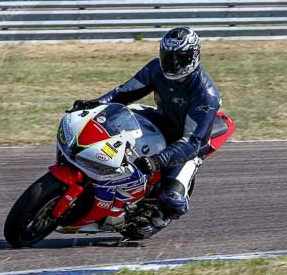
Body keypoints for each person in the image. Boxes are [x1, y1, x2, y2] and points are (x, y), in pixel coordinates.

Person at [72, 27, 221, 236]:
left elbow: (191, 142)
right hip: (160, 120)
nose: (173, 64)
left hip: (187, 145)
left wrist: (158, 161)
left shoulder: (206, 95)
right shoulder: (156, 68)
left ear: (194, 56)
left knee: (173, 201)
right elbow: (123, 93)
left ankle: (158, 218)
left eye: (181, 58)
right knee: (110, 121)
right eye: (168, 57)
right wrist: (94, 104)